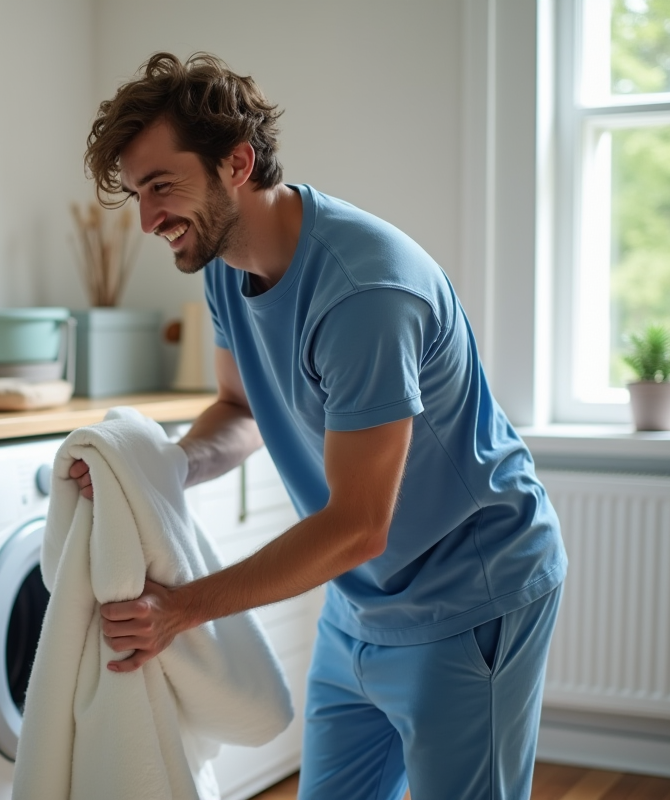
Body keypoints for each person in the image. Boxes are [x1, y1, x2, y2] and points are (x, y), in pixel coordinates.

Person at [68, 52, 567, 800]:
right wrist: (157, 471)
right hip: (361, 602)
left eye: (161, 185)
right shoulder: (222, 264)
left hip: (470, 595)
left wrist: (180, 611)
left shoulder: (364, 293)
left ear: (237, 162)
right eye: (138, 193)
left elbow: (359, 524)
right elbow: (241, 411)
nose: (147, 220)